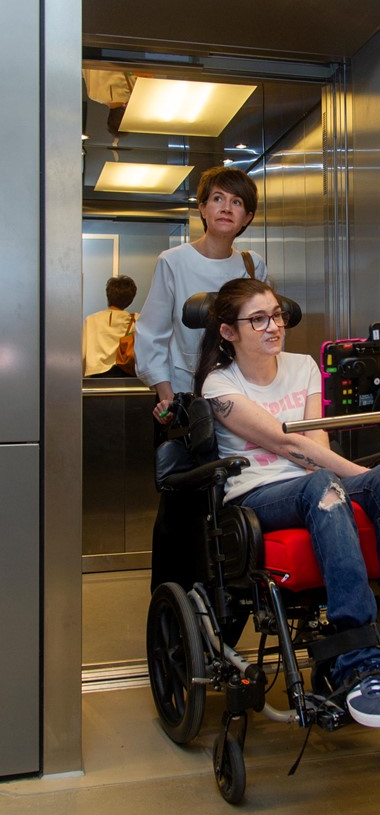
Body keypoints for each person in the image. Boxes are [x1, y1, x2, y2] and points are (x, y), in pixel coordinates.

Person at [195, 278, 380, 730]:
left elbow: (317, 440)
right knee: (332, 485)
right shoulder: (219, 385)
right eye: (258, 319)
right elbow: (285, 444)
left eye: (277, 315)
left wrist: (373, 480)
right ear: (228, 331)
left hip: (317, 483)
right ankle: (359, 663)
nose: (273, 326)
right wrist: (354, 478)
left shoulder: (303, 367)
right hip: (257, 498)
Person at [134, 166, 268, 590]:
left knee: (235, 497)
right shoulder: (174, 262)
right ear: (202, 208)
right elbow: (152, 332)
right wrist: (167, 397)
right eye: (218, 199)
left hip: (239, 401)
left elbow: (263, 331)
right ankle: (175, 602)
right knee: (183, 510)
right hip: (190, 405)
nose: (227, 208)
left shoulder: (253, 264)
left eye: (238, 202)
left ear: (247, 218)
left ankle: (225, 599)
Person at [82, 275, 138, 378]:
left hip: (96, 377)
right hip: (126, 378)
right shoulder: (136, 321)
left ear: (108, 295)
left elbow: (82, 354)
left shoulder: (91, 320)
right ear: (130, 300)